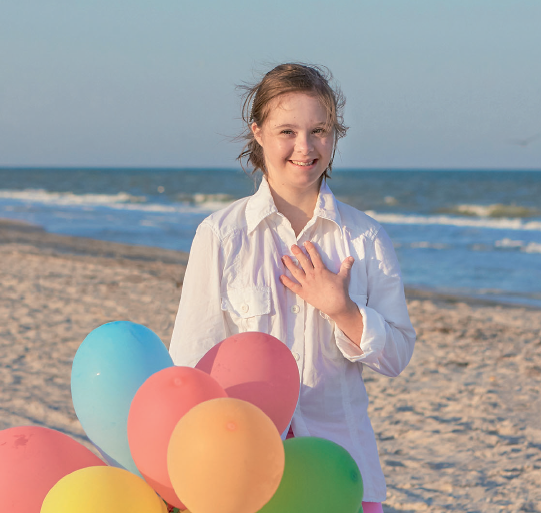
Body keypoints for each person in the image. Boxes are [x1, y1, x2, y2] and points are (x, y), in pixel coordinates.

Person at [169, 63, 416, 513]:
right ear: (258, 132)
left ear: (335, 135)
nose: (305, 147)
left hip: (341, 470)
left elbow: (397, 355)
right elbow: (191, 360)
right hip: (242, 473)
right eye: (287, 130)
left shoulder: (364, 237)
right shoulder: (221, 235)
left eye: (319, 130)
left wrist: (342, 311)